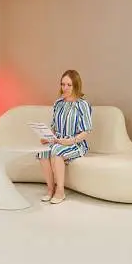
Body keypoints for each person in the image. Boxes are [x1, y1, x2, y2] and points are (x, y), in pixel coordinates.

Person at [36, 69, 93, 204]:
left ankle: (60, 191)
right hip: (58, 140)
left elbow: (87, 130)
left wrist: (70, 141)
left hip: (76, 143)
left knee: (56, 151)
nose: (65, 88)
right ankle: (50, 189)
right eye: (63, 84)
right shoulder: (58, 103)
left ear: (76, 86)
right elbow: (54, 127)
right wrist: (48, 137)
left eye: (69, 85)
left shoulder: (82, 105)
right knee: (42, 152)